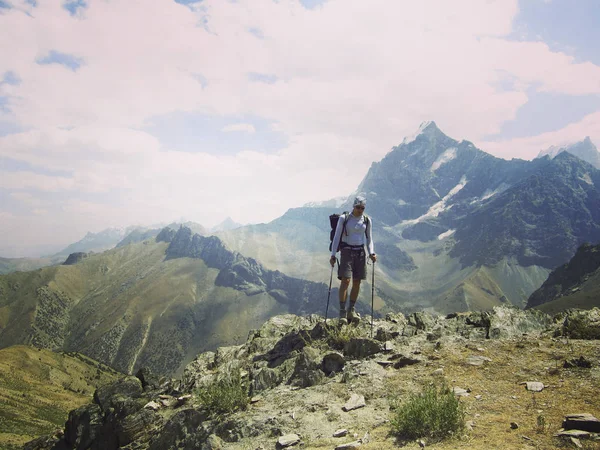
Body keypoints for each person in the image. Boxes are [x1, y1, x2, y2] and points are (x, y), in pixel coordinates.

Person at [329, 196, 377, 324]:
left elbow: (369, 238)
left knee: (357, 282)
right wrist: (333, 254)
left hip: (360, 252)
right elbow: (337, 237)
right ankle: (342, 313)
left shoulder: (366, 220)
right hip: (347, 251)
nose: (360, 210)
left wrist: (371, 252)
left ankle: (351, 310)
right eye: (358, 207)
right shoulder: (344, 219)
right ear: (353, 206)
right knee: (346, 280)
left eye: (362, 208)